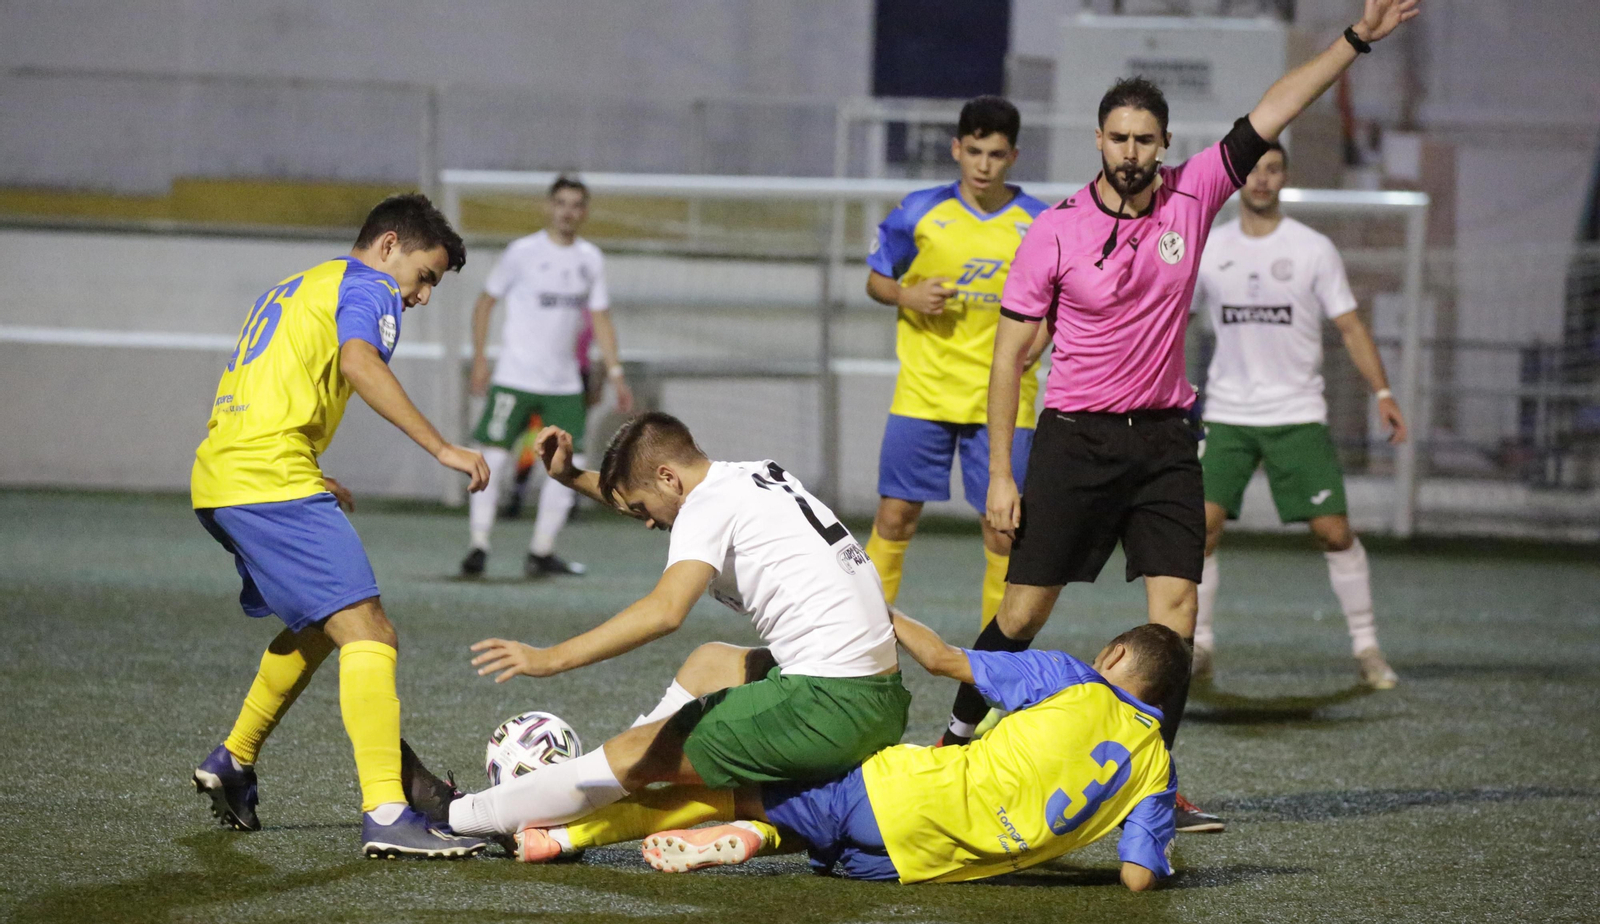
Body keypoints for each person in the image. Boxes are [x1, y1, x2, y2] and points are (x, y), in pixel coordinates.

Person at [944, 0, 1424, 836]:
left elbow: (1277, 108)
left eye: (1146, 139)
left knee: (1177, 620)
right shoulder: (1053, 232)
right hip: (1074, 438)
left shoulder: (1195, 194)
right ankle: (951, 744)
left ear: (1164, 144)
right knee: (1021, 617)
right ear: (1100, 140)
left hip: (1166, 441)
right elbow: (1009, 360)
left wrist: (1353, 41)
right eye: (1119, 137)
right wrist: (998, 475)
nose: (1133, 152)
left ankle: (1153, 788)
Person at [437, 412, 911, 840]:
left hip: (831, 709)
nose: (647, 523)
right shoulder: (753, 476)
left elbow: (665, 611)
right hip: (882, 699)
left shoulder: (705, 505)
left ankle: (459, 814)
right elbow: (639, 493)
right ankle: (597, 794)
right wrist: (569, 477)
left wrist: (549, 658)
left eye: (645, 509)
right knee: (711, 663)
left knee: (640, 755)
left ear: (669, 478)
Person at [189, 194, 492, 858]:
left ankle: (234, 760)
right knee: (370, 631)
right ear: (390, 246)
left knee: (322, 627)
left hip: (226, 474)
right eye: (426, 276)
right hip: (269, 478)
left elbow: (275, 379)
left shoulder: (304, 282)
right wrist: (444, 448)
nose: (422, 296)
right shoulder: (371, 286)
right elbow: (359, 361)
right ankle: (387, 812)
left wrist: (309, 469)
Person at [485, 612, 1185, 891]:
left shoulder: (1073, 678)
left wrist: (873, 608)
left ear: (1116, 654)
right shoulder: (1157, 766)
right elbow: (1136, 879)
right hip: (917, 867)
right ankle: (756, 836)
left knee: (715, 787)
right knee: (792, 823)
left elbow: (941, 660)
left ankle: (564, 834)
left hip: (896, 793)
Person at [1190, 142, 1406, 688]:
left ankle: (1367, 648)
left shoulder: (1312, 249)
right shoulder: (1209, 249)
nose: (1261, 180)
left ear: (1284, 176)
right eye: (1253, 171)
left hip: (1296, 413)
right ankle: (1200, 649)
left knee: (1334, 533)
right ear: (1237, 179)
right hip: (1230, 414)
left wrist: (1383, 392)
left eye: (1272, 169)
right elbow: (1170, 321)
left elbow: (1351, 327)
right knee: (1199, 531)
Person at [861, 95, 1051, 628]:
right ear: (956, 150)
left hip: (1005, 397)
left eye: (995, 154)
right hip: (925, 391)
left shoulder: (1039, 222)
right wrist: (907, 295)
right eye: (973, 152)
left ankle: (996, 660)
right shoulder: (920, 210)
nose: (983, 166)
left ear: (1013, 156)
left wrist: (1043, 340)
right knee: (895, 517)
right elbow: (876, 279)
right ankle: (860, 640)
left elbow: (1061, 299)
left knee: (1004, 529)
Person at [461, 176, 633, 579]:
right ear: (548, 207)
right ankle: (479, 545)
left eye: (576, 204)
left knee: (569, 465)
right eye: (561, 203)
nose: (568, 211)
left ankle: (541, 551)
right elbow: (485, 304)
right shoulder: (522, 252)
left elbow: (600, 317)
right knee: (494, 457)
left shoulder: (591, 258)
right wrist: (481, 359)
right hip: (515, 376)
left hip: (564, 383)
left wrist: (615, 373)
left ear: (585, 212)